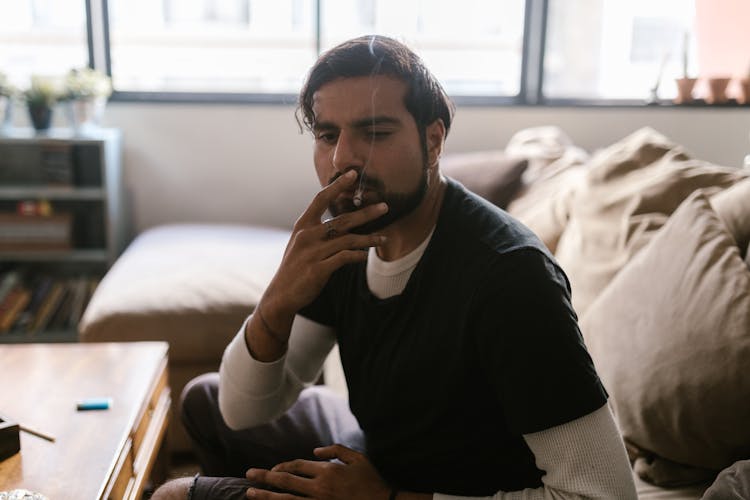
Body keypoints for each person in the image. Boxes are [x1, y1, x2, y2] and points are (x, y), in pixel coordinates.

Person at [152, 35, 637, 500]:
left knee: (175, 494)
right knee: (204, 399)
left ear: (434, 140)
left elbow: (603, 493)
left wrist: (390, 499)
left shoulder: (510, 278)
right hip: (382, 454)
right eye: (328, 134)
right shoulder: (347, 236)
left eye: (375, 132)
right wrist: (277, 299)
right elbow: (242, 413)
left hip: (441, 490)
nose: (344, 159)